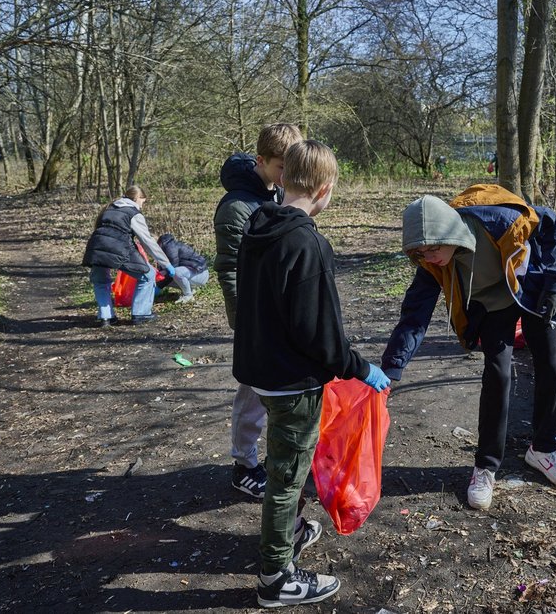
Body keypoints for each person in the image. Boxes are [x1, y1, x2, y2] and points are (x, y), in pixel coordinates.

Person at [233, 139, 390, 606]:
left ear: (283, 179)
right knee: (287, 475)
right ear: (324, 189)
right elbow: (319, 332)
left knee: (290, 465)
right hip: (290, 382)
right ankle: (276, 578)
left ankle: (292, 532)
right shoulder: (308, 243)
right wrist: (359, 367)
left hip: (260, 371)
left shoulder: (258, 224)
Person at [381, 183, 556, 511]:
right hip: (494, 304)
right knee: (498, 374)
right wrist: (391, 369)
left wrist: (555, 284)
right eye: (421, 254)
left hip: (531, 288)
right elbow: (414, 317)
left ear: (447, 233)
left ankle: (542, 449)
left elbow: (550, 223)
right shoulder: (433, 265)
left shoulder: (498, 221)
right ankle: (485, 467)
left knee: (550, 364)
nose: (429, 259)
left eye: (431, 250)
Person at [214, 122, 302, 499]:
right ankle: (244, 464)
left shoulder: (279, 193)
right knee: (252, 393)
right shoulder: (235, 208)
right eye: (283, 167)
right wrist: (244, 323)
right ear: (261, 160)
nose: (289, 177)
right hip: (254, 319)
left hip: (280, 311)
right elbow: (229, 269)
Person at [82, 185, 175, 326]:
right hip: (119, 248)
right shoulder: (133, 213)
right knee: (148, 275)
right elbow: (148, 241)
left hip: (95, 246)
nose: (142, 206)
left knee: (101, 280)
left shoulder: (110, 208)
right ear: (138, 198)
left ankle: (106, 318)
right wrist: (166, 263)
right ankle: (141, 314)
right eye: (143, 202)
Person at [156, 233, 209, 303]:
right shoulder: (164, 250)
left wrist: (158, 287)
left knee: (175, 272)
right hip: (193, 273)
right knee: (164, 276)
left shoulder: (170, 247)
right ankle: (190, 290)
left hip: (200, 274)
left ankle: (188, 295)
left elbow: (172, 268)